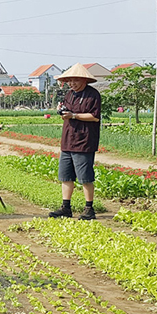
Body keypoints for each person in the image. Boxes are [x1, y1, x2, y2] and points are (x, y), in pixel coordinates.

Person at [49, 63, 102, 220]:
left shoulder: (93, 95)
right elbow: (67, 111)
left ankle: (89, 209)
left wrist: (73, 116)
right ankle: (66, 207)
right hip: (68, 140)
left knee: (85, 177)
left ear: (84, 80)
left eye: (75, 80)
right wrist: (63, 111)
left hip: (84, 141)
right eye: (69, 80)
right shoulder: (69, 94)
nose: (72, 83)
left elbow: (94, 116)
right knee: (66, 176)